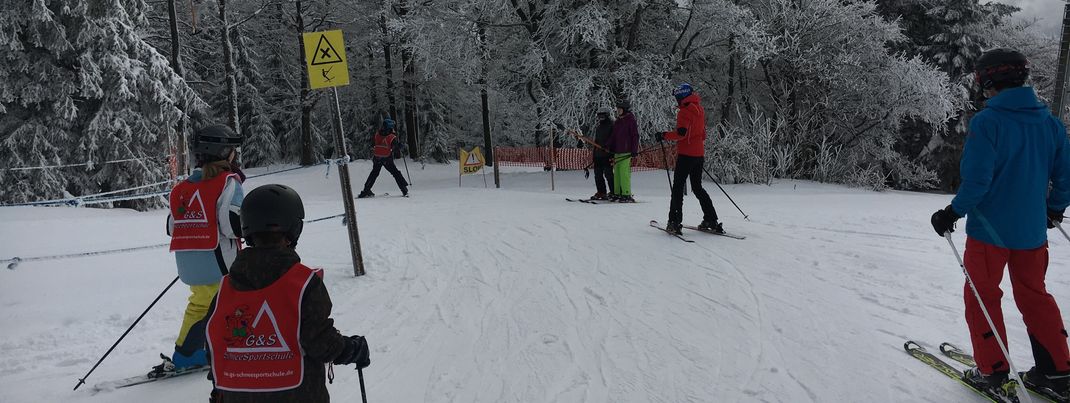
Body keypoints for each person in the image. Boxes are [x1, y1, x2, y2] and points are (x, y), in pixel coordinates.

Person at [930, 48, 1070, 401]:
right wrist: (1053, 208)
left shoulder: (988, 122)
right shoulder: (1050, 123)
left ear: (988, 80)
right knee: (1035, 296)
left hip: (989, 232)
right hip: (1032, 233)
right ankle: (1057, 370)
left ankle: (992, 372)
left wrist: (952, 212)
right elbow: (1065, 177)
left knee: (982, 296)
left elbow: (978, 181)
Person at [206, 184, 370, 402]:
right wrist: (351, 349)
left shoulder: (226, 287)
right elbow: (321, 344)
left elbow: (213, 345)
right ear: (293, 229)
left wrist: (220, 389)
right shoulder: (302, 283)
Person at [156, 124, 245, 377]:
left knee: (202, 304)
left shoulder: (184, 187)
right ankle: (202, 352)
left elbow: (173, 226)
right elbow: (232, 224)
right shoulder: (228, 182)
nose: (234, 156)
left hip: (188, 261)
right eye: (232, 151)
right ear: (224, 152)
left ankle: (194, 350)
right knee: (230, 304)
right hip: (220, 261)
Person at [655, 83, 721, 235]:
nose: (676, 101)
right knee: (697, 187)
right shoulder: (700, 109)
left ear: (681, 96)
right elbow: (703, 134)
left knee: (678, 187)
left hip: (686, 155)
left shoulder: (684, 112)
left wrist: (664, 135)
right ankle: (711, 219)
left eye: (677, 97)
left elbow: (681, 133)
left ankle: (674, 222)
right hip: (698, 155)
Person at [358, 118, 409, 198]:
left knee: (374, 173)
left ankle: (365, 191)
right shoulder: (392, 136)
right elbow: (395, 148)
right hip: (387, 158)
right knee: (395, 173)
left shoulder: (377, 134)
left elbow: (373, 144)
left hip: (377, 157)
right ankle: (404, 189)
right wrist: (400, 146)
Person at [605, 100, 639, 202]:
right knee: (617, 173)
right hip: (617, 151)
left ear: (625, 109)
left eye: (620, 109)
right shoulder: (618, 121)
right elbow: (613, 136)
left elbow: (635, 136)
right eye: (617, 109)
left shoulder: (630, 120)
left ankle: (626, 193)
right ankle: (617, 193)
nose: (618, 111)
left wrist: (634, 149)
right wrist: (608, 145)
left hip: (626, 151)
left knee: (624, 172)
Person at [590, 107, 615, 200]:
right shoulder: (599, 127)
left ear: (607, 115)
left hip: (607, 154)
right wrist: (594, 154)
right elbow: (596, 141)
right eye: (599, 115)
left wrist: (608, 147)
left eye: (602, 115)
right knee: (598, 174)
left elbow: (613, 139)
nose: (600, 117)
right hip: (598, 155)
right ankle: (601, 192)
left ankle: (613, 192)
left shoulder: (612, 125)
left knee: (609, 174)